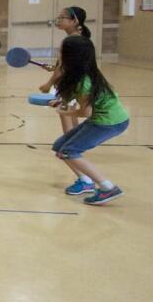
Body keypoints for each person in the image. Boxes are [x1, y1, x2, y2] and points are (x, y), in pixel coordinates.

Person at [49, 35, 128, 205]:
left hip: (109, 122)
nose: (59, 52)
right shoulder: (77, 74)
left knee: (69, 151)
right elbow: (77, 101)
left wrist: (66, 112)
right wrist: (61, 102)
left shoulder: (84, 80)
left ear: (71, 55)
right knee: (59, 147)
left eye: (62, 50)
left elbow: (85, 112)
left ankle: (108, 187)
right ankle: (85, 181)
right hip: (102, 118)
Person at [39, 7, 92, 135]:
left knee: (65, 113)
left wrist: (49, 84)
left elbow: (63, 67)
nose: (59, 20)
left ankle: (67, 146)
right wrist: (53, 67)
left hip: (71, 83)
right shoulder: (80, 38)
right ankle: (74, 142)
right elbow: (73, 63)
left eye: (63, 17)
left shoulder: (69, 41)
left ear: (74, 21)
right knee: (71, 112)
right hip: (80, 80)